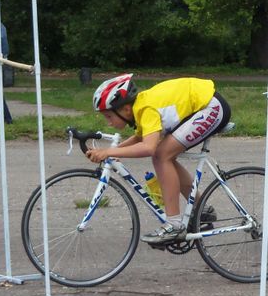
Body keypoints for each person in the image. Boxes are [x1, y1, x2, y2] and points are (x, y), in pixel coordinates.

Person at [86, 74, 232, 244]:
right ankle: (202, 209)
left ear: (125, 109)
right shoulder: (140, 108)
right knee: (164, 154)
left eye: (109, 116)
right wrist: (113, 152)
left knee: (161, 155)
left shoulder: (145, 108)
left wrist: (109, 152)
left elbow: (148, 147)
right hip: (206, 105)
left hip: (211, 107)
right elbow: (141, 137)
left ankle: (174, 225)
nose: (108, 122)